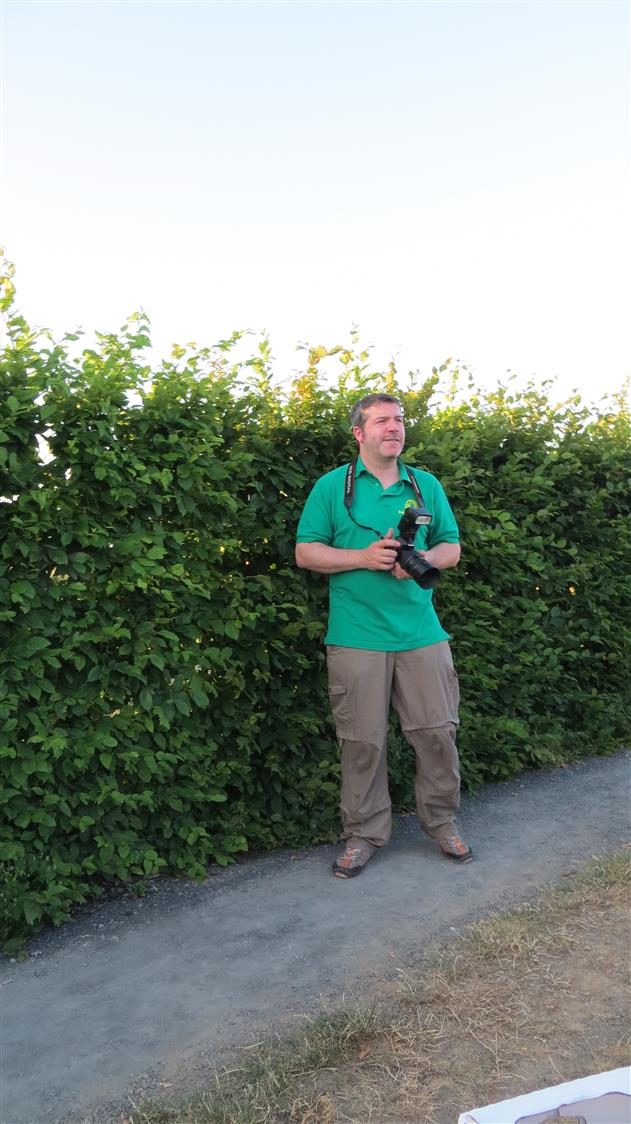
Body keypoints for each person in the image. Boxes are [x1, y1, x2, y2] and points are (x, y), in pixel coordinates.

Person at [295, 393, 472, 878]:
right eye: (382, 421)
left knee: (437, 734)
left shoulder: (425, 484)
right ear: (359, 433)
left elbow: (451, 547)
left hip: (421, 634)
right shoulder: (333, 487)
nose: (394, 427)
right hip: (356, 636)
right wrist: (363, 557)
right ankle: (363, 835)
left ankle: (443, 823)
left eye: (399, 420)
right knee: (362, 742)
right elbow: (306, 552)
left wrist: (422, 561)